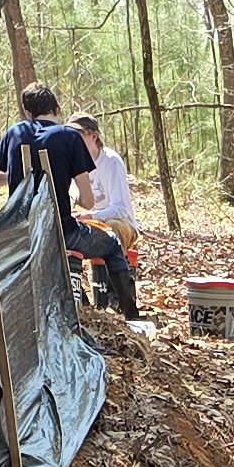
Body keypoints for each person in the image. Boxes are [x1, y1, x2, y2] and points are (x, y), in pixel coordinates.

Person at [0, 84, 132, 315]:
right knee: (112, 244)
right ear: (58, 109)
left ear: (28, 112)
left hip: (20, 233)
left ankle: (83, 306)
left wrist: (18, 176)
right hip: (62, 232)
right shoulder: (69, 137)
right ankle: (129, 315)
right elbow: (88, 202)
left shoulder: (14, 133)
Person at [75, 113, 144, 315]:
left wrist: (91, 216)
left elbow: (121, 209)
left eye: (79, 135)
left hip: (123, 226)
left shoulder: (110, 162)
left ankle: (120, 300)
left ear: (93, 136)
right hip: (88, 225)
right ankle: (82, 302)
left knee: (111, 227)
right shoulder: (74, 164)